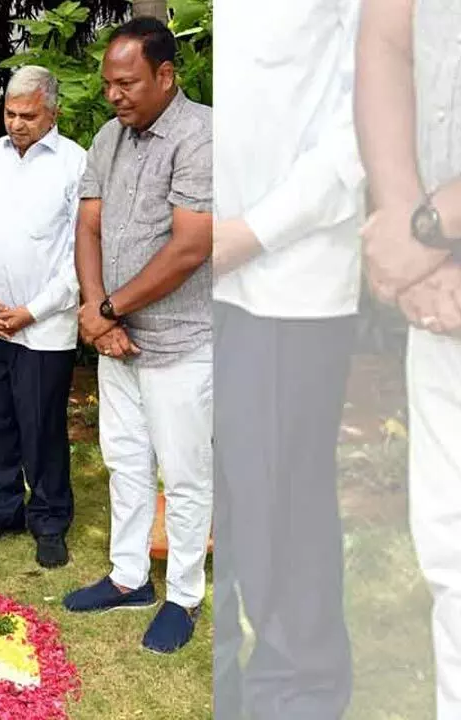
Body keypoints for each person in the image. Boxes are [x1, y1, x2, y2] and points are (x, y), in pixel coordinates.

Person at [211, 1, 366, 716]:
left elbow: (363, 125)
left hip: (287, 285)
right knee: (233, 507)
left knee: (283, 514)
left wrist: (250, 234)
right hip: (211, 282)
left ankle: (298, 692)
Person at [61, 17, 213, 655]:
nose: (114, 95)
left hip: (180, 341)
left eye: (127, 83)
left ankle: (181, 594)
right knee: (125, 462)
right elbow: (88, 227)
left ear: (165, 76)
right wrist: (98, 312)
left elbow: (191, 248)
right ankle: (129, 579)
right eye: (108, 84)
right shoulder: (108, 136)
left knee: (182, 475)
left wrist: (108, 309)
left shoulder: (201, 136)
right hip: (115, 341)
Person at [356, 0, 461, 715]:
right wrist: (410, 236)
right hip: (443, 296)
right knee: (453, 559)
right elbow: (387, 43)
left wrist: (429, 228)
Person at [0, 66, 85, 569]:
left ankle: (49, 518)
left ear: (53, 113)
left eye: (28, 115)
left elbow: (81, 253)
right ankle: (2, 507)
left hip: (44, 326)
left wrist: (31, 311)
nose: (17, 124)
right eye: (10, 113)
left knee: (42, 426)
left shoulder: (76, 164)